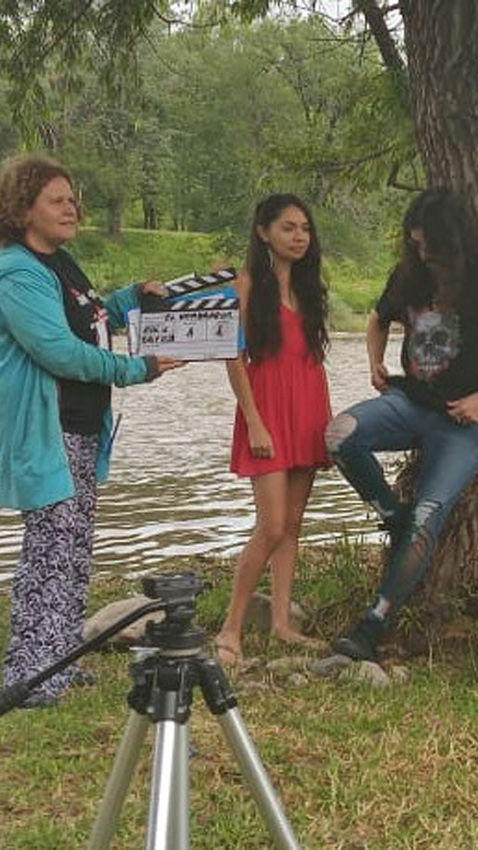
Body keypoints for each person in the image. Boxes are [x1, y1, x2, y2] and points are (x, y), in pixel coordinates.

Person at [0, 154, 182, 708]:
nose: (72, 208)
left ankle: (58, 663)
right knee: (49, 552)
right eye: (57, 200)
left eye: (73, 199)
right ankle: (31, 678)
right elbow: (61, 352)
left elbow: (90, 320)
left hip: (82, 431)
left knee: (73, 549)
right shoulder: (15, 274)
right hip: (47, 433)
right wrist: (139, 369)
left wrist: (131, 298)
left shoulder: (60, 264)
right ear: (23, 211)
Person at [322, 188, 478, 662]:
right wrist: (376, 362)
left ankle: (372, 627)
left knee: (430, 516)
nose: (423, 254)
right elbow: (378, 319)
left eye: (431, 246)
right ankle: (392, 516)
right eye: (415, 244)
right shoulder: (409, 274)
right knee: (339, 434)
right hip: (411, 402)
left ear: (455, 239)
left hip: (468, 423)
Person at [213, 194, 332, 668]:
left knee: (294, 526)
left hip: (308, 409)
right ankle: (231, 628)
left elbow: (311, 358)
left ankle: (282, 623)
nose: (299, 236)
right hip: (266, 413)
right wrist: (255, 420)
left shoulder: (308, 289)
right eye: (288, 227)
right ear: (263, 232)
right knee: (272, 524)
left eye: (304, 228)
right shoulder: (243, 287)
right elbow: (233, 358)